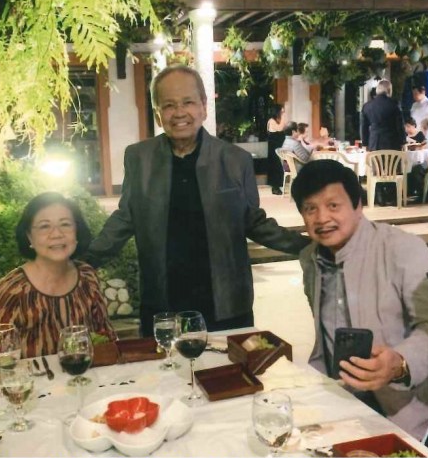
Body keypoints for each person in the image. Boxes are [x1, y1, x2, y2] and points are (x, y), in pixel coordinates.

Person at [84, 65, 309, 336]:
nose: (179, 113)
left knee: (228, 364)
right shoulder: (139, 158)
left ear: (203, 107)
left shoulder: (234, 160)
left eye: (188, 102)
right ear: (157, 113)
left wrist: (309, 246)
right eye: (169, 105)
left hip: (225, 304)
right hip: (163, 306)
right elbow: (124, 218)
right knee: (164, 364)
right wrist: (84, 262)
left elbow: (254, 222)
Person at [291, 160, 428, 439]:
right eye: (310, 209)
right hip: (344, 403)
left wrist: (400, 363)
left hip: (417, 413)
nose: (322, 218)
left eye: (333, 205)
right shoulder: (310, 259)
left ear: (358, 206)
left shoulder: (402, 248)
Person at [0, 192, 115, 363]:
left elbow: (107, 339)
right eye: (45, 226)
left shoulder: (86, 277)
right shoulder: (14, 290)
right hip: (26, 380)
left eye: (65, 224)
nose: (56, 234)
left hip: (83, 376)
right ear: (29, 236)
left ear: (77, 232)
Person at [361, 79, 405, 151]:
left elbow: (364, 128)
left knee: (376, 159)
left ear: (377, 91)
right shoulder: (394, 104)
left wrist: (365, 144)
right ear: (389, 90)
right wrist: (403, 142)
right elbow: (400, 126)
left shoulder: (367, 106)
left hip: (374, 143)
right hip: (392, 144)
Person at [267, 104, 288, 194]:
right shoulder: (271, 121)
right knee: (275, 166)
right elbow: (279, 129)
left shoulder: (278, 121)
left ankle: (278, 186)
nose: (283, 113)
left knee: (279, 166)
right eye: (282, 111)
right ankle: (275, 187)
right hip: (274, 148)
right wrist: (283, 118)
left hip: (279, 147)